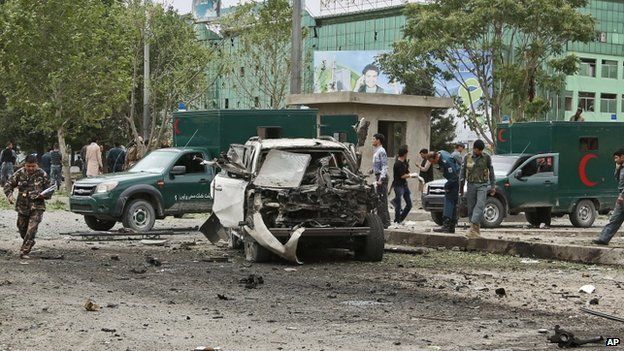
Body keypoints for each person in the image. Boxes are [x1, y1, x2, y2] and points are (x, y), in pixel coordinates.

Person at [3, 154, 52, 258]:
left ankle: (24, 251)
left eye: (33, 166)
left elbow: (50, 188)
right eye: (28, 166)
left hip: (37, 206)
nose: (30, 168)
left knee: (31, 229)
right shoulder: (19, 173)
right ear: (25, 165)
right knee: (21, 228)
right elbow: (8, 185)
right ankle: (29, 241)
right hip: (23, 206)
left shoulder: (42, 174)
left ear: (36, 165)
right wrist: (10, 195)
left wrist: (45, 195)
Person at [460, 139, 496, 238]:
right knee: (471, 208)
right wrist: (461, 187)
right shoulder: (467, 157)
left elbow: (491, 172)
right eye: (478, 150)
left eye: (481, 150)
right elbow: (462, 172)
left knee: (480, 205)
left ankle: (472, 228)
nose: (479, 152)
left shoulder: (486, 157)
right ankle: (476, 230)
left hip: (483, 185)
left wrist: (493, 186)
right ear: (474, 148)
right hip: (471, 184)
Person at [593, 148, 624, 245]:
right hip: (621, 196)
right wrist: (617, 167)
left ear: (622, 156)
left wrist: (622, 195)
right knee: (615, 218)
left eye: (616, 158)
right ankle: (603, 239)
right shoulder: (621, 168)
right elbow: (617, 178)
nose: (615, 160)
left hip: (622, 195)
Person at [427, 149, 461, 233]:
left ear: (436, 157)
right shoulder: (440, 153)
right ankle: (451, 227)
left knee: (449, 203)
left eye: (433, 161)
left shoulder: (446, 162)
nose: (433, 163)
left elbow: (454, 177)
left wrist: (447, 185)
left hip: (454, 182)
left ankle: (446, 226)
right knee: (452, 204)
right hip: (452, 180)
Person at [371, 133, 391, 228]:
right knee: (379, 200)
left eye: (374, 139)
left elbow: (384, 166)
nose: (372, 141)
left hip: (381, 178)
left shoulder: (381, 151)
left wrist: (381, 179)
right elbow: (378, 165)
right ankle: (381, 222)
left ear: (378, 140)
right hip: (378, 176)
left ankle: (385, 223)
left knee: (382, 200)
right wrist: (372, 170)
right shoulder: (377, 151)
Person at [392, 145, 413, 224]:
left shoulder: (404, 163)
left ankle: (400, 218)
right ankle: (397, 220)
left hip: (404, 185)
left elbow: (406, 172)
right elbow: (402, 176)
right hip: (398, 186)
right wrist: (412, 175)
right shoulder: (398, 163)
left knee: (409, 204)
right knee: (398, 205)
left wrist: (409, 172)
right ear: (405, 153)